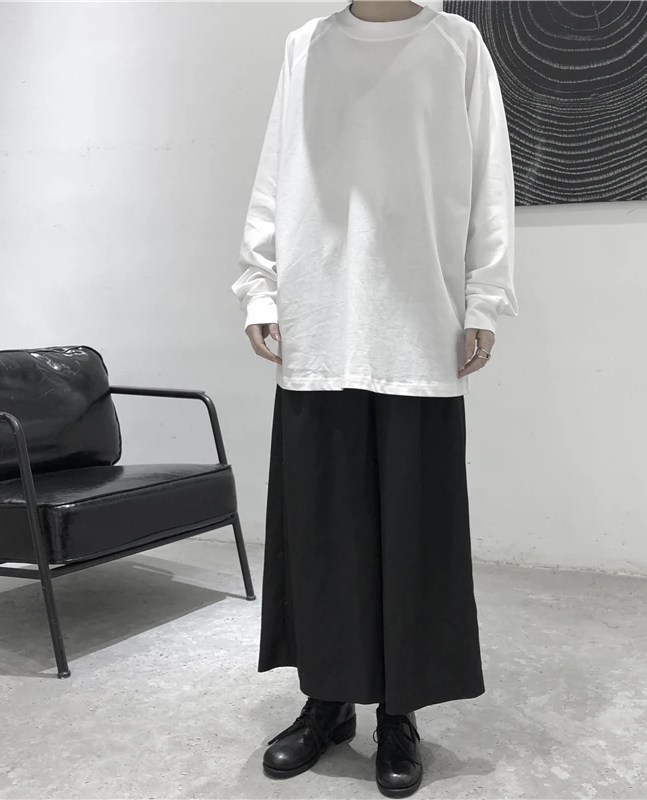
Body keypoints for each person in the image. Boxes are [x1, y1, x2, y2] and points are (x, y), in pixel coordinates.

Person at [232, 0, 517, 796]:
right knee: (321, 531)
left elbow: (490, 180)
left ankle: (398, 710)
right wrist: (260, 285)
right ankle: (326, 702)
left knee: (414, 532)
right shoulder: (305, 48)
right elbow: (275, 169)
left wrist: (485, 299)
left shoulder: (456, 45)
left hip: (418, 322)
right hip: (320, 317)